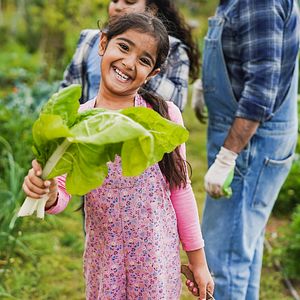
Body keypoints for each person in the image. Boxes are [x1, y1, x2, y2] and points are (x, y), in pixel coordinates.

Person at [22, 13, 214, 300]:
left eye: (144, 60)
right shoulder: (76, 123)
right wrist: (47, 192)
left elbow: (181, 190)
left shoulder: (162, 117)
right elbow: (61, 193)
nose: (128, 63)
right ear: (103, 43)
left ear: (153, 74)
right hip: (104, 261)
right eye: (123, 47)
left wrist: (198, 262)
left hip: (154, 260)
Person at [188, 0, 300, 299]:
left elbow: (262, 89)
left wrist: (228, 157)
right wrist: (206, 83)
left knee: (223, 260)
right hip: (249, 138)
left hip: (250, 145)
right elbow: (249, 52)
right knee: (241, 251)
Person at [59, 0, 200, 111]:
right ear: (103, 43)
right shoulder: (89, 40)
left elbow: (176, 101)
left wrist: (143, 68)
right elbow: (68, 91)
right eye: (114, 1)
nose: (119, 6)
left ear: (151, 10)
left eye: (129, 2)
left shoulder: (174, 49)